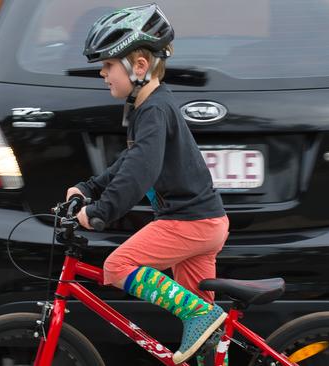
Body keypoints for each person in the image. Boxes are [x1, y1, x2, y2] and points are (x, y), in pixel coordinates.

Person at [64, 4, 229, 364]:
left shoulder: (154, 110)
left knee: (117, 266)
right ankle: (204, 323)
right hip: (203, 222)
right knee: (205, 343)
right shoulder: (149, 107)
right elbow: (130, 160)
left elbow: (141, 170)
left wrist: (100, 212)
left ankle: (201, 316)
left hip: (189, 222)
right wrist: (90, 188)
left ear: (139, 66)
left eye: (107, 65)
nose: (103, 74)